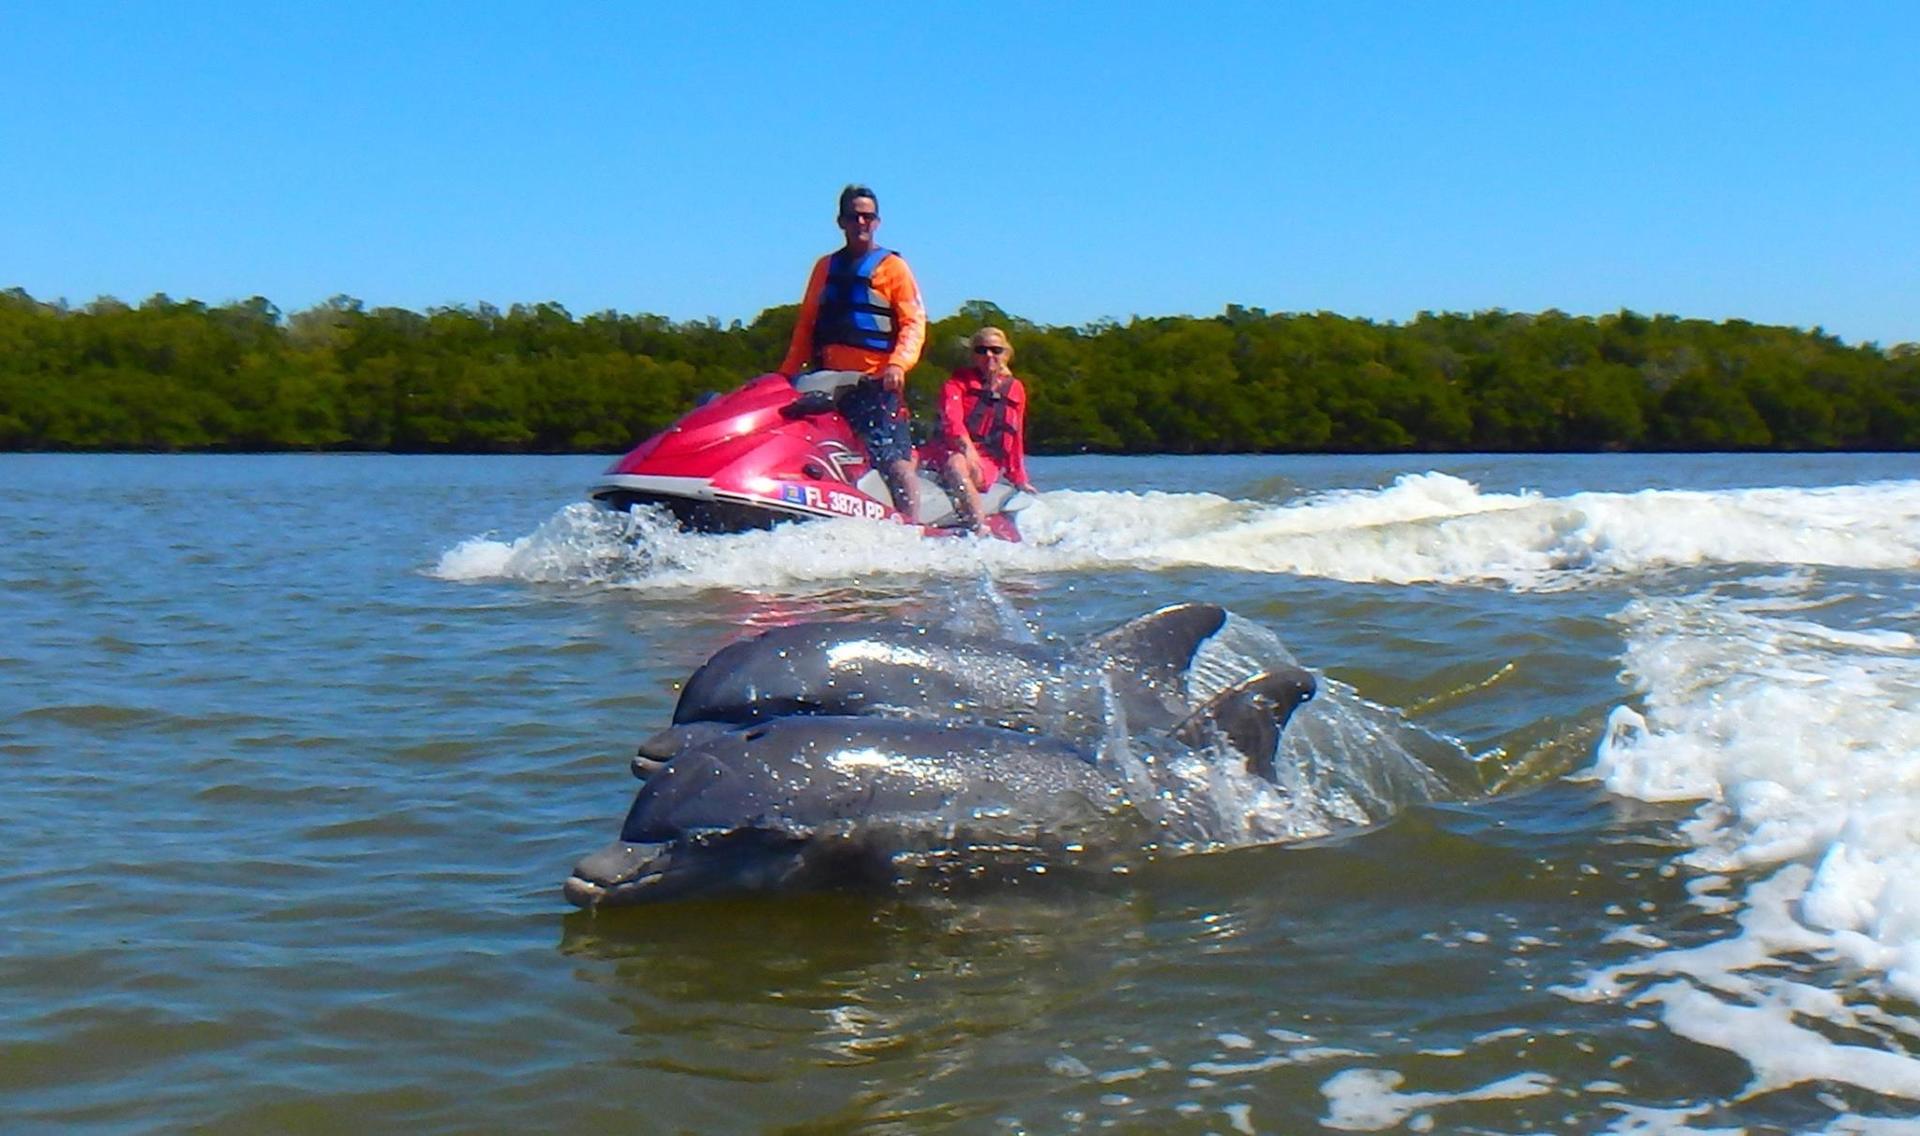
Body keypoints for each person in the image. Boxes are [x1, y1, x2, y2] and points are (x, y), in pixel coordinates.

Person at [777, 184, 927, 519]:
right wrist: (786, 375)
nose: (861, 222)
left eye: (868, 217)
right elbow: (806, 325)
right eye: (854, 216)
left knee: (894, 461)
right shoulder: (825, 267)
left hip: (876, 384)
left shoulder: (893, 268)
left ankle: (913, 528)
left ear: (877, 222)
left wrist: (898, 365)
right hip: (826, 385)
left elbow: (914, 323)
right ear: (841, 221)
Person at [923, 326, 1035, 534]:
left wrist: (1019, 478)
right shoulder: (956, 383)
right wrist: (967, 449)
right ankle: (902, 517)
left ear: (1006, 354)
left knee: (956, 463)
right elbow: (952, 420)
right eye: (981, 350)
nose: (989, 355)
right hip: (944, 450)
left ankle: (977, 527)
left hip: (985, 460)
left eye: (996, 350)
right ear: (973, 355)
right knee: (905, 460)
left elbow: (1015, 435)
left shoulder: (1015, 389)